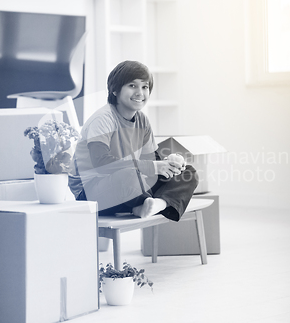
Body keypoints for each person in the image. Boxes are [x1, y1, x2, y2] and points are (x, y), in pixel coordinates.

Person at [69, 60, 198, 220]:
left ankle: (155, 204)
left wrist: (169, 164)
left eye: (145, 87)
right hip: (91, 193)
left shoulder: (142, 120)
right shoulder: (102, 119)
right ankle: (153, 204)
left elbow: (152, 162)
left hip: (130, 186)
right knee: (128, 176)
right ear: (115, 90)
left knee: (187, 172)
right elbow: (102, 164)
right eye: (132, 86)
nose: (140, 93)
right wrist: (153, 167)